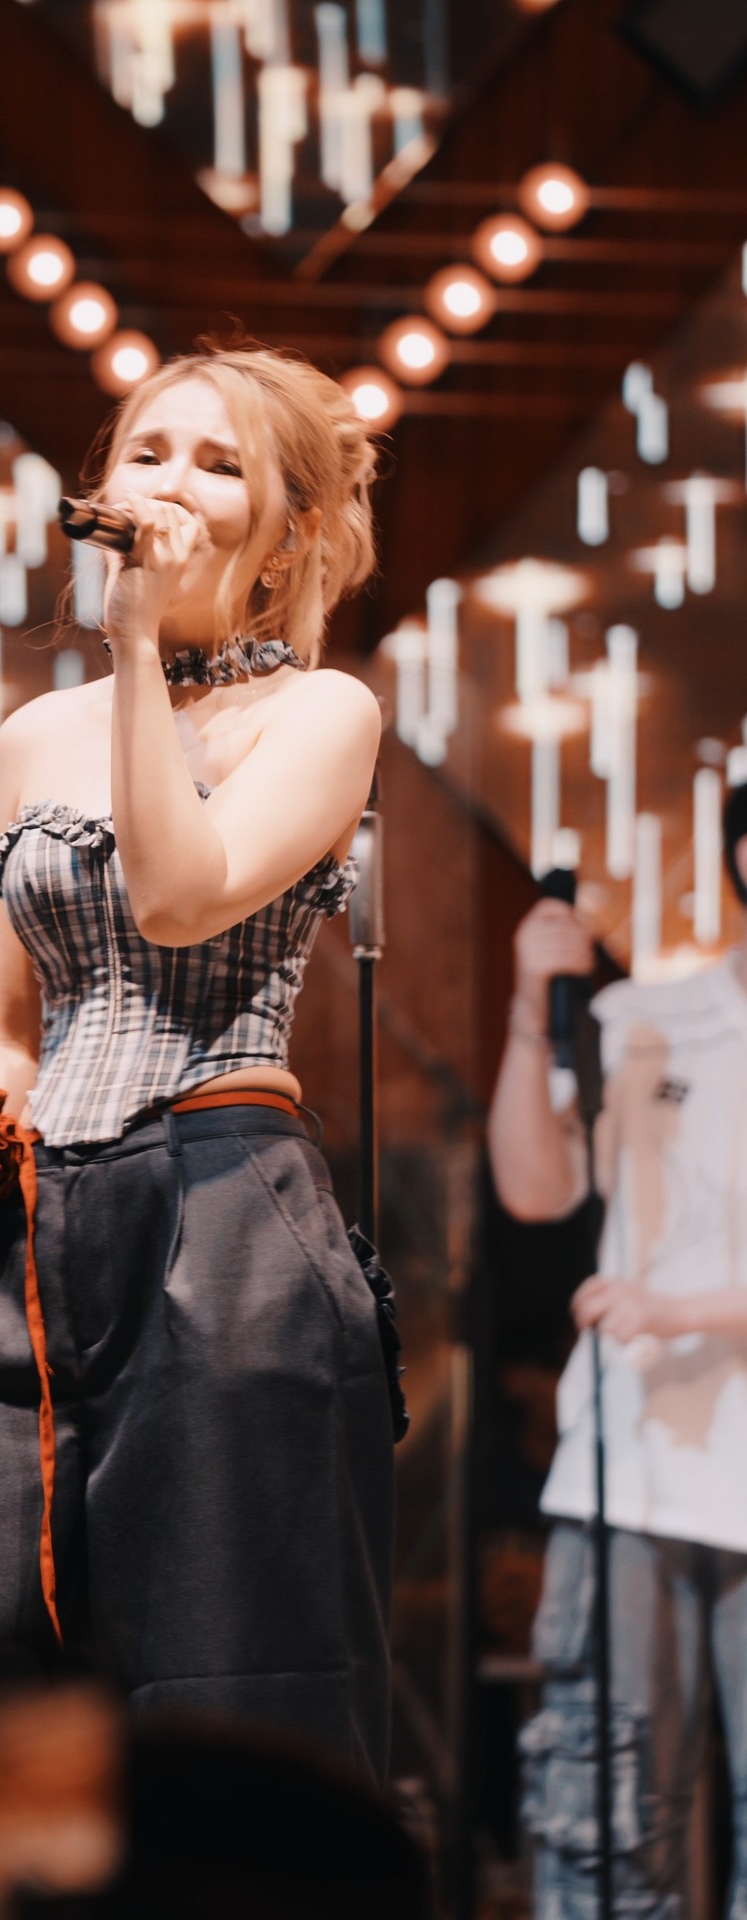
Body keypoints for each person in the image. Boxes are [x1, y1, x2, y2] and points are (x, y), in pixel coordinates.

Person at [0, 344, 397, 1863]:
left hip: (221, 1200)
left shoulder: (323, 713)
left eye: (220, 465)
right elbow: (9, 1018)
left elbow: (174, 894)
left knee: (227, 1656)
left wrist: (143, 652)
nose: (170, 485)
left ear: (284, 534)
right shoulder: (36, 736)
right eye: (150, 451)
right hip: (27, 1218)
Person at [487, 782, 747, 1916]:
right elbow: (534, 1187)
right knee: (608, 1824)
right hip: (631, 1475)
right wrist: (529, 1010)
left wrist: (683, 1312)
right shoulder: (645, 1015)